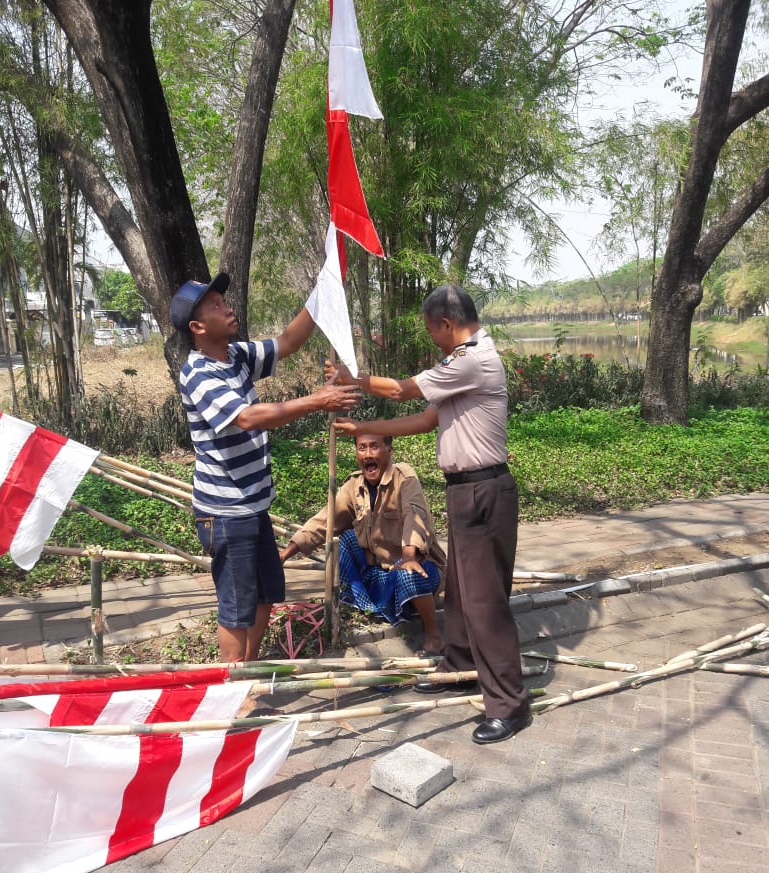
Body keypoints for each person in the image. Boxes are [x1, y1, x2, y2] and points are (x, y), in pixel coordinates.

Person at [330, 284, 531, 745]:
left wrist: (354, 379)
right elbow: (424, 420)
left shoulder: (473, 360)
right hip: (467, 492)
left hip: (483, 492)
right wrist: (362, 429)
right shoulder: (461, 363)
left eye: (431, 331)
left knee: (486, 602)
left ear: (445, 323)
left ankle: (508, 703)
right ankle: (461, 668)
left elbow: (403, 392)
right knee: (461, 593)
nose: (432, 340)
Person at [170, 272, 360, 663]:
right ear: (198, 326)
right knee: (237, 608)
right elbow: (248, 418)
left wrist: (322, 288)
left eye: (225, 301)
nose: (228, 308)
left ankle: (249, 677)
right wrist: (316, 401)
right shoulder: (197, 373)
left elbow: (290, 340)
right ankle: (233, 695)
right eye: (217, 306)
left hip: (253, 507)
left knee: (265, 595)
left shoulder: (235, 356)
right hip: (225, 512)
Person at [279, 432, 446, 654]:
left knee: (409, 575)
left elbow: (415, 515)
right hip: (381, 573)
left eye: (374, 447)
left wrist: (408, 556)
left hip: (418, 568)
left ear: (389, 450)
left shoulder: (405, 478)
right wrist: (284, 554)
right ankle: (368, 605)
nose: (368, 454)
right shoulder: (353, 485)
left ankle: (432, 633)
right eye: (362, 448)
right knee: (346, 538)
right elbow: (324, 521)